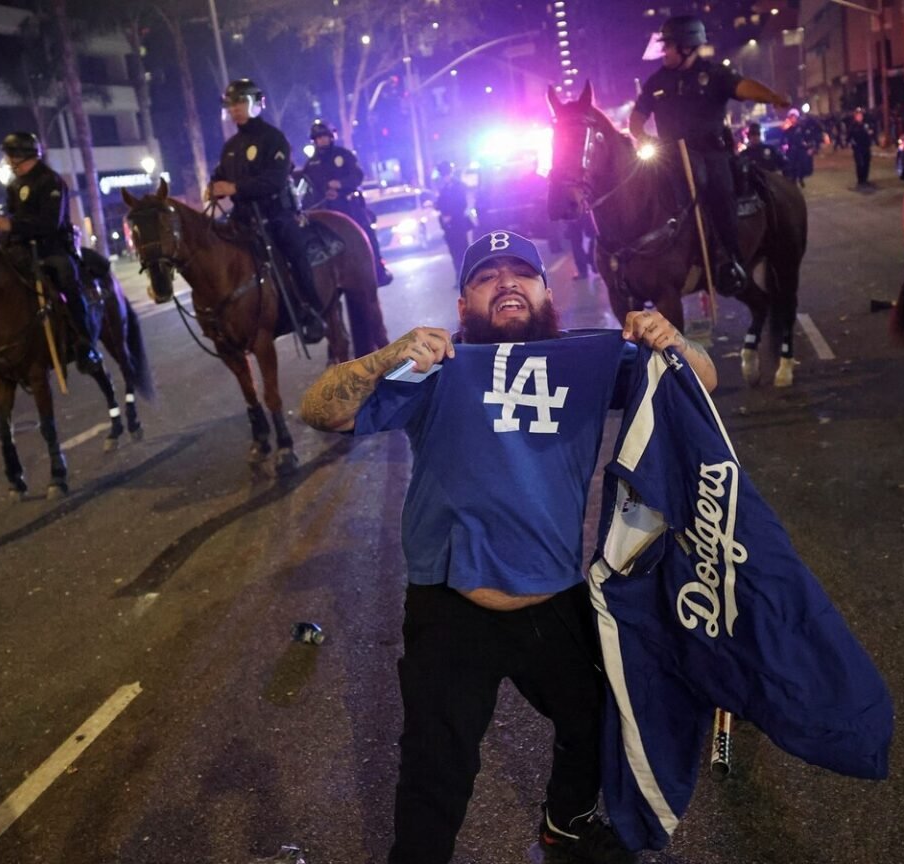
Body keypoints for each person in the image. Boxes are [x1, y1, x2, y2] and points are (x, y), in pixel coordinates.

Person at [298, 230, 719, 864]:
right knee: (435, 773)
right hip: (452, 606)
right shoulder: (436, 371)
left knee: (599, 719)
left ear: (547, 293)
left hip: (553, 597)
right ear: (462, 304)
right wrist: (388, 356)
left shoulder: (590, 362)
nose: (506, 284)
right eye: (486, 277)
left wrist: (672, 339)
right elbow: (319, 410)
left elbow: (701, 383)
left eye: (520, 273)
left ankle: (565, 828)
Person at [629, 14, 789, 296]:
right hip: (670, 157)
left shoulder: (714, 75)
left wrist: (772, 97)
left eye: (669, 46)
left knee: (719, 193)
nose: (664, 52)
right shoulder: (656, 81)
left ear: (687, 47)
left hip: (711, 154)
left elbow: (743, 87)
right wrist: (641, 135)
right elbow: (637, 117)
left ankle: (730, 259)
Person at [208, 78, 326, 344]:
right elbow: (220, 176)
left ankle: (312, 312)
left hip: (275, 214)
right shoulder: (230, 147)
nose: (235, 109)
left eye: (241, 102)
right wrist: (213, 187)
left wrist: (235, 188)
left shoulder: (273, 139)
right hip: (243, 219)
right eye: (231, 105)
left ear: (256, 104)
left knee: (295, 253)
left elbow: (274, 179)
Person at [0, 130, 101, 371]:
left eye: (10, 156)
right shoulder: (14, 185)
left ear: (21, 155)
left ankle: (85, 342)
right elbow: (13, 216)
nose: (7, 161)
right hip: (21, 248)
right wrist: (1, 228)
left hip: (52, 247)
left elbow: (50, 223)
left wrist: (13, 225)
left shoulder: (50, 181)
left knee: (67, 277)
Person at [298, 119, 393, 286]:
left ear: (331, 137)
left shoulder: (344, 155)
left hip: (348, 206)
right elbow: (308, 187)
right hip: (325, 208)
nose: (322, 140)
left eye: (324, 137)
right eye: (318, 138)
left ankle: (378, 271)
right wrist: (321, 195)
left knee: (366, 233)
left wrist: (341, 185)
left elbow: (357, 176)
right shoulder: (310, 164)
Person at [434, 161, 475, 279]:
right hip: (448, 226)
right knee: (453, 251)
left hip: (458, 223)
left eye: (445, 173)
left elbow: (462, 203)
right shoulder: (443, 188)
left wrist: (450, 215)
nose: (444, 176)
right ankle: (459, 275)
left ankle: (467, 276)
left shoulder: (458, 185)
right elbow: (440, 204)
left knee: (462, 250)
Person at [849, 107, 876, 187]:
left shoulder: (865, 124)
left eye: (861, 116)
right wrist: (851, 143)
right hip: (858, 148)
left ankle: (865, 179)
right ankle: (860, 180)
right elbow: (850, 135)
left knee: (866, 162)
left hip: (866, 146)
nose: (860, 117)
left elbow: (871, 132)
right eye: (858, 116)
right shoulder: (853, 125)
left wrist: (871, 133)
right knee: (860, 163)